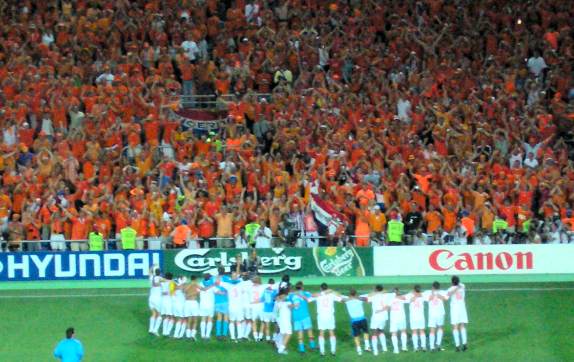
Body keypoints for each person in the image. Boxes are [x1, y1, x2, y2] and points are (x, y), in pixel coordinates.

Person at [311, 283, 341, 356]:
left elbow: (311, 295)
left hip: (321, 316)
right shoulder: (331, 295)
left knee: (321, 333)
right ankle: (333, 351)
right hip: (330, 316)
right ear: (327, 288)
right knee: (331, 332)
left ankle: (322, 351)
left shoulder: (319, 295)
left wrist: (323, 293)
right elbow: (340, 296)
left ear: (321, 288)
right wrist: (331, 291)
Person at [288, 281, 316, 353]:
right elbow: (313, 295)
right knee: (309, 331)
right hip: (305, 316)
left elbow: (285, 298)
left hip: (296, 317)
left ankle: (302, 349)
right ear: (302, 287)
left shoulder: (291, 295)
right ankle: (312, 346)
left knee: (300, 333)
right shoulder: (305, 293)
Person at [342, 289, 371, 356]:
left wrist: (350, 298)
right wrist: (356, 297)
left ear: (349, 294)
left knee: (356, 336)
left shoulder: (347, 300)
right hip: (362, 319)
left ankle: (359, 350)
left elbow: (342, 300)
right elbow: (366, 299)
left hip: (354, 321)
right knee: (366, 332)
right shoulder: (359, 298)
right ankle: (367, 347)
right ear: (356, 293)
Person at [363, 285, 388, 355]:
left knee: (374, 333)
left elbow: (366, 299)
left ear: (376, 289)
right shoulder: (386, 295)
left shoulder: (374, 296)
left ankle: (375, 351)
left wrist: (373, 293)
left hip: (376, 317)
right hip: (384, 317)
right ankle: (385, 348)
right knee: (381, 331)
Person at [448, 276, 469, 352]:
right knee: (462, 326)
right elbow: (458, 285)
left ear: (452, 282)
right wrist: (457, 286)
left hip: (455, 310)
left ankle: (457, 346)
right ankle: (464, 344)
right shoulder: (463, 285)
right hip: (462, 308)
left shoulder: (451, 289)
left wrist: (455, 288)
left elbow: (448, 294)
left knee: (455, 327)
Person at [426, 281, 449, 351]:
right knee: (439, 328)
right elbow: (428, 299)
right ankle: (437, 345)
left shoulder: (440, 292)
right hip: (437, 313)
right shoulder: (430, 292)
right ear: (439, 287)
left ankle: (434, 346)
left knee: (433, 330)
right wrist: (434, 294)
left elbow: (445, 299)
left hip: (435, 314)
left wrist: (438, 295)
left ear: (432, 287)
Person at [406, 285, 427, 352]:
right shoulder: (422, 295)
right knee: (422, 331)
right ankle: (423, 347)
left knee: (414, 331)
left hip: (413, 317)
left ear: (414, 289)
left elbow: (407, 299)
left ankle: (416, 348)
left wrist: (412, 293)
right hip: (420, 316)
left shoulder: (410, 295)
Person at [388, 287, 409, 354]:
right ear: (398, 292)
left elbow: (387, 306)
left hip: (394, 318)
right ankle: (404, 347)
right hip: (401, 317)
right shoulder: (402, 297)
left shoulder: (389, 299)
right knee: (403, 331)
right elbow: (406, 298)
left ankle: (396, 349)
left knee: (394, 333)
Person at [275, 288, 293, 355]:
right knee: (288, 333)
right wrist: (295, 305)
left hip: (280, 319)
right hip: (285, 320)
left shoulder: (278, 300)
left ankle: (278, 343)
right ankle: (281, 349)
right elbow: (291, 306)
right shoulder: (285, 302)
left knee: (282, 333)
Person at [199, 273, 215, 339]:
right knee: (209, 319)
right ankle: (207, 335)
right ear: (210, 278)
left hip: (202, 304)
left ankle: (203, 335)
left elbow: (198, 290)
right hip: (210, 304)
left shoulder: (200, 283)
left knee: (203, 319)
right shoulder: (213, 285)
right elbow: (218, 292)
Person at [148, 266, 163, 336]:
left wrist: (153, 266)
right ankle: (155, 330)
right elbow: (168, 280)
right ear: (160, 273)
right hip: (158, 299)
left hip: (151, 298)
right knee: (159, 315)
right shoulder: (160, 278)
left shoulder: (151, 277)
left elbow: (149, 272)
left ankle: (150, 329)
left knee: (153, 313)